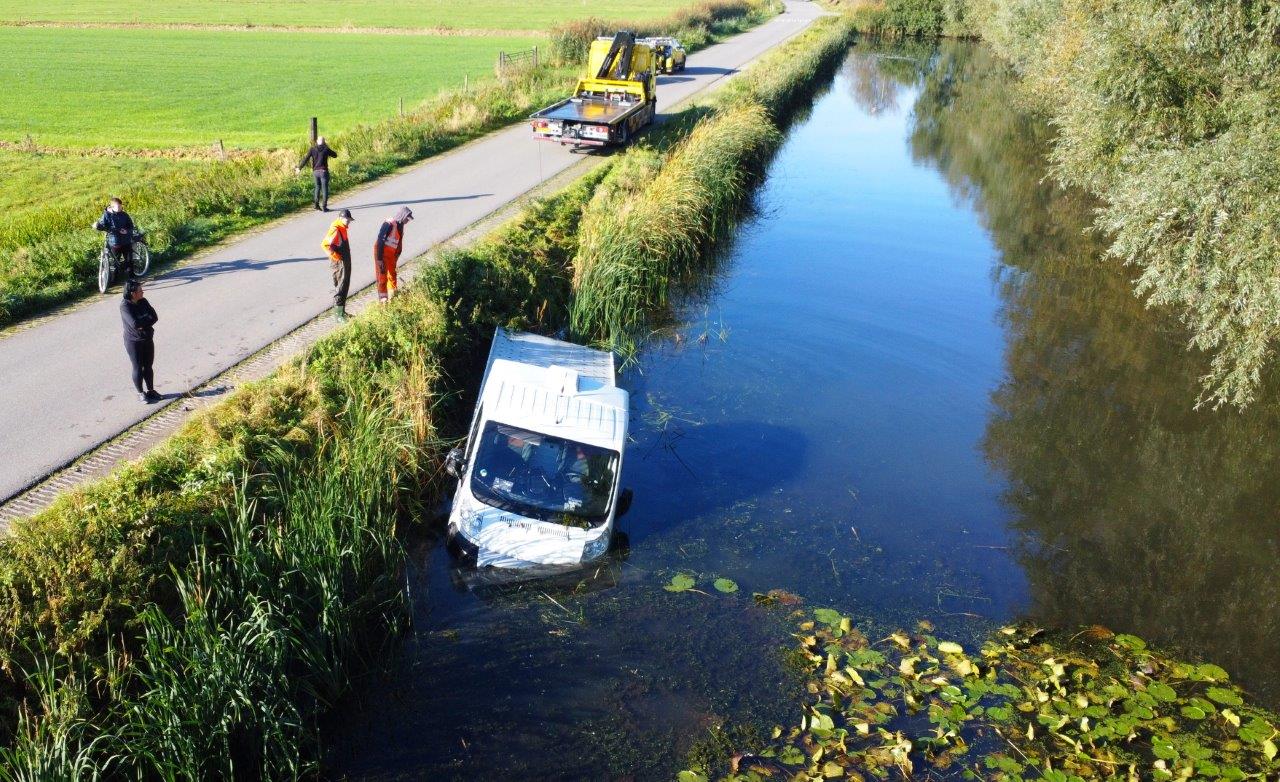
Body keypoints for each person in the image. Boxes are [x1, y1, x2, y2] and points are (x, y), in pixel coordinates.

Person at [120, 280, 160, 403]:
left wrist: (144, 325)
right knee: (138, 367)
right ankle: (140, 393)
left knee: (148, 366)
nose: (143, 292)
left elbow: (154, 317)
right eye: (140, 290)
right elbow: (135, 324)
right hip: (134, 342)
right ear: (133, 293)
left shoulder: (143, 301)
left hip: (147, 338)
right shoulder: (125, 306)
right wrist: (146, 321)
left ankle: (151, 391)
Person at [373, 207, 414, 303]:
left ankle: (393, 297)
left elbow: (398, 244)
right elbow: (380, 241)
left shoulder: (400, 226)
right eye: (407, 218)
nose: (408, 221)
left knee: (392, 275)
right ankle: (383, 302)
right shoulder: (389, 224)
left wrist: (396, 257)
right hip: (381, 254)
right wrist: (379, 259)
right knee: (382, 277)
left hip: (391, 255)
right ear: (402, 216)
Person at [322, 208, 355, 321]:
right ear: (341, 218)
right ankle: (338, 316)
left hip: (344, 261)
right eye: (347, 219)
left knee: (345, 285)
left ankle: (342, 312)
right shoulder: (336, 229)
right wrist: (336, 257)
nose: (349, 221)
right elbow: (325, 245)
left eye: (349, 220)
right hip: (339, 263)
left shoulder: (343, 227)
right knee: (340, 287)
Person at [94, 197, 136, 277]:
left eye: (121, 206)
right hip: (114, 242)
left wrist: (127, 231)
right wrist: (97, 226)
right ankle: (114, 279)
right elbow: (102, 225)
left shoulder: (124, 215)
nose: (120, 208)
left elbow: (131, 226)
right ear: (112, 207)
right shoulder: (106, 215)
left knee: (129, 260)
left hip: (126, 241)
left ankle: (131, 278)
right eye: (118, 207)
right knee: (115, 262)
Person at [298, 136, 338, 211]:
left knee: (317, 187)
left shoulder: (312, 149)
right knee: (324, 189)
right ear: (324, 142)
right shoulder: (326, 149)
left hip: (315, 172)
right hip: (323, 172)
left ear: (317, 141)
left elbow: (305, 159)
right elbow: (335, 155)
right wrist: (327, 146)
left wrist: (299, 168)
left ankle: (316, 205)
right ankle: (324, 207)